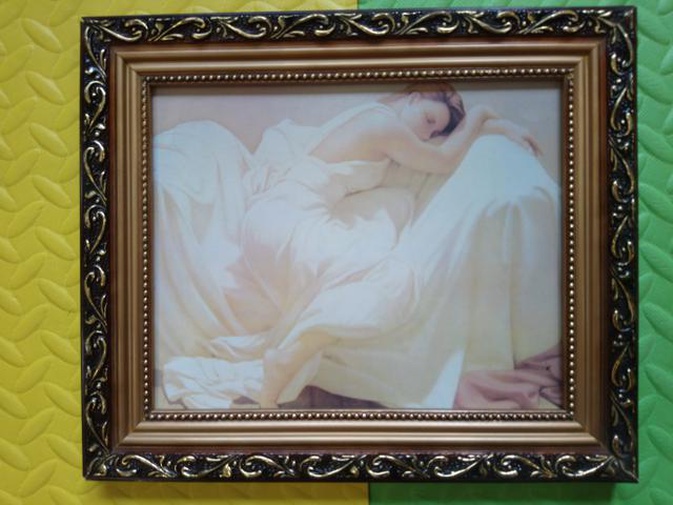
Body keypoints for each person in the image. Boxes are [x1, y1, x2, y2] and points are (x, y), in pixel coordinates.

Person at [154, 84, 560, 410]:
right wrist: (482, 116)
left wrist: (493, 131)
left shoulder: (374, 119)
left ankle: (288, 356)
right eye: (429, 120)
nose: (426, 134)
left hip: (276, 218)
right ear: (414, 96)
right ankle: (286, 358)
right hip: (286, 221)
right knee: (394, 280)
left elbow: (440, 152)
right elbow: (442, 161)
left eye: (434, 131)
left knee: (377, 251)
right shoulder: (382, 125)